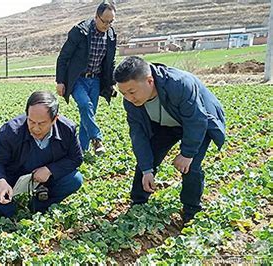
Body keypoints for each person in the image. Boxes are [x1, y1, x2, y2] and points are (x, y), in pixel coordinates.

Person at [114, 56, 226, 223]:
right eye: (124, 93)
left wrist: (187, 154)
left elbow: (196, 120)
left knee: (191, 166)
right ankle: (138, 202)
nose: (129, 98)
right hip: (166, 125)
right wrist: (146, 170)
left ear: (150, 81)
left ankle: (191, 210)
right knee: (148, 157)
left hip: (198, 121)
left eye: (132, 92)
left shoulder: (179, 84)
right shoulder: (130, 102)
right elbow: (139, 136)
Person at [0, 91, 83, 218]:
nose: (36, 128)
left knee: (74, 180)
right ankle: (10, 211)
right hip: (13, 176)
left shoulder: (67, 129)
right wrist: (1, 182)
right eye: (31, 121)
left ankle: (39, 206)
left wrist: (50, 170)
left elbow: (76, 158)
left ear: (54, 119)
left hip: (47, 179)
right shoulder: (10, 131)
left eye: (42, 123)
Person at [55, 1, 117, 155]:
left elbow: (110, 62)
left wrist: (111, 84)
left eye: (111, 22)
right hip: (77, 79)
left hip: (95, 80)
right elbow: (63, 57)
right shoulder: (80, 31)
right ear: (96, 16)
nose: (107, 25)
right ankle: (97, 139)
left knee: (87, 116)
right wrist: (60, 81)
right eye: (105, 21)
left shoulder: (110, 35)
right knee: (85, 105)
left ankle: (81, 151)